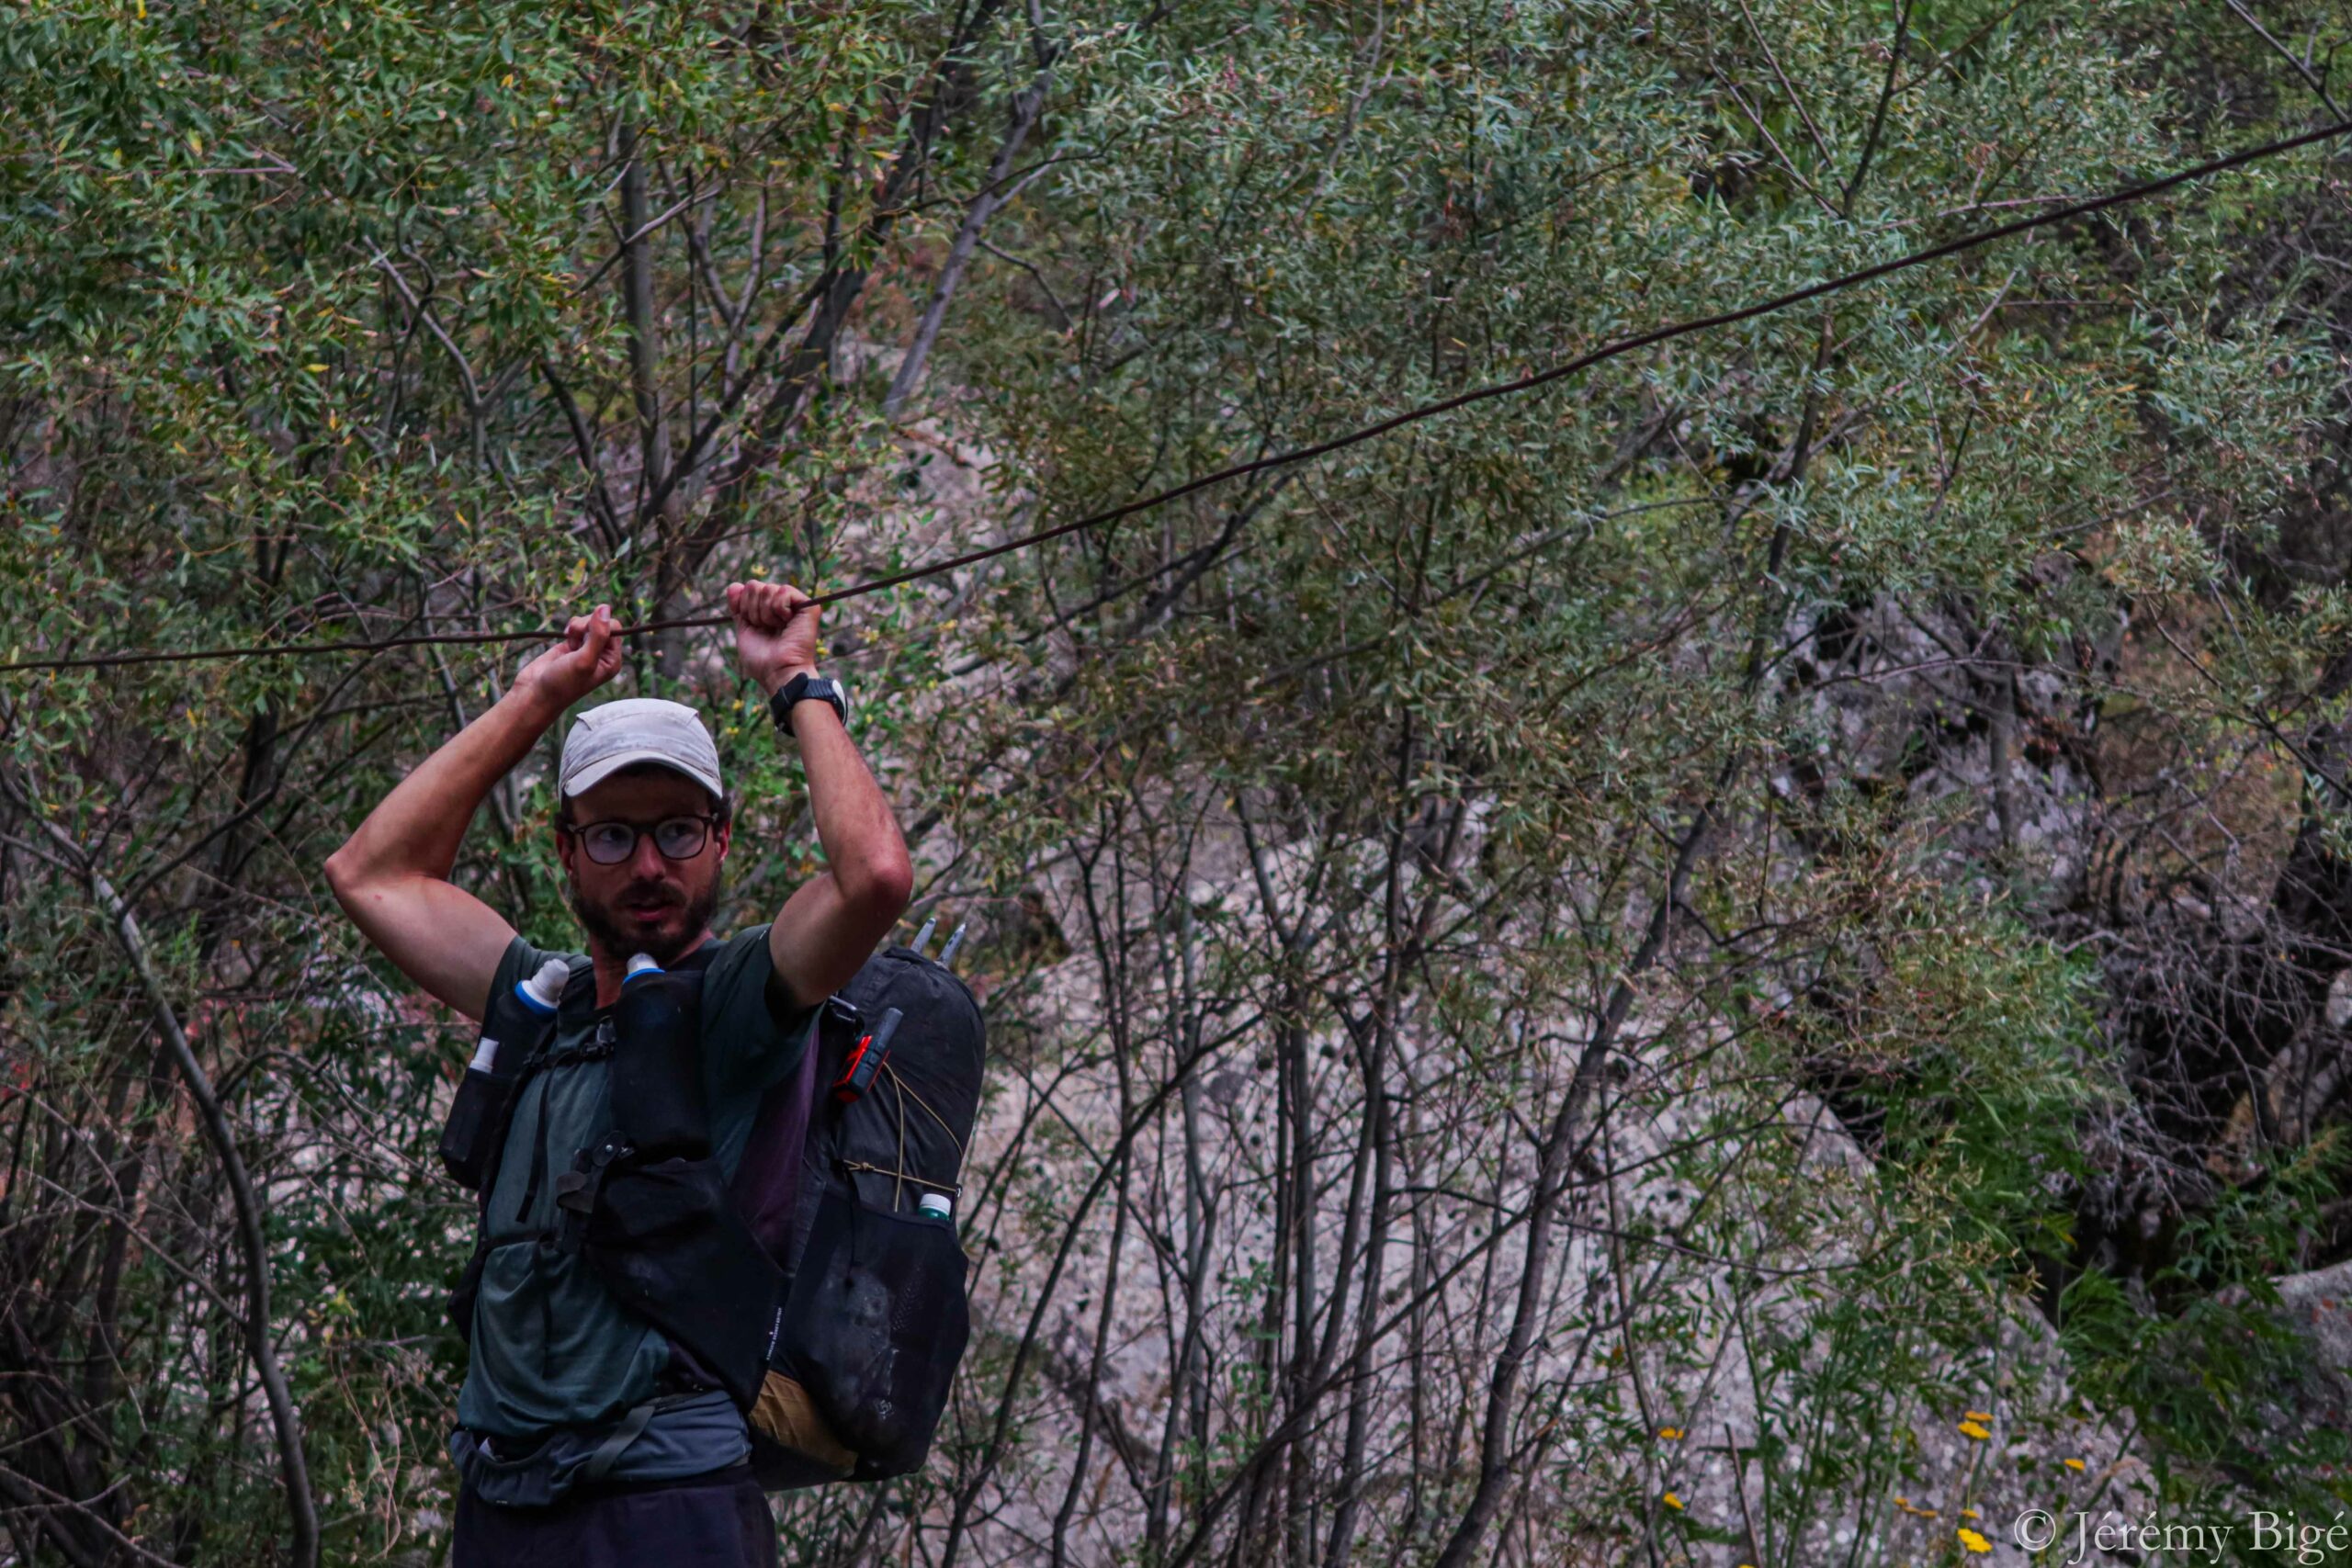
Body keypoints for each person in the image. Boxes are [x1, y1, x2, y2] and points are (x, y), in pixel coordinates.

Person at [323, 580, 913, 1568]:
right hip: (503, 1505)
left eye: (678, 829)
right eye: (612, 834)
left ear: (721, 837)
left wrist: (796, 681)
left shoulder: (738, 1003)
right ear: (566, 849)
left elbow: (875, 880)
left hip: (667, 1506)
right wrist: (538, 695)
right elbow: (370, 873)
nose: (649, 865)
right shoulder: (538, 999)